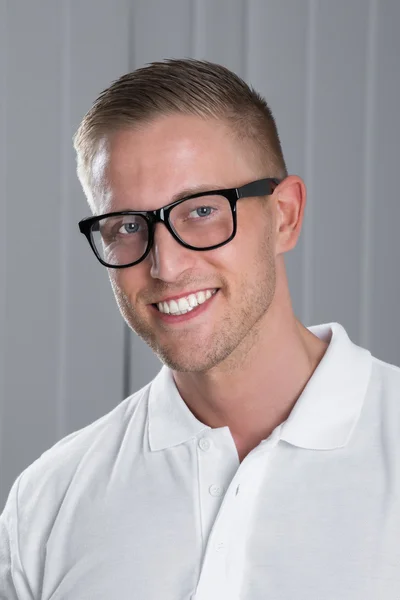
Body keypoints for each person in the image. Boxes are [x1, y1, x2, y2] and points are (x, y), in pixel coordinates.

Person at [1, 59, 399, 600]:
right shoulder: (47, 502)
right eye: (126, 226)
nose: (164, 264)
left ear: (284, 215)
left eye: (202, 211)